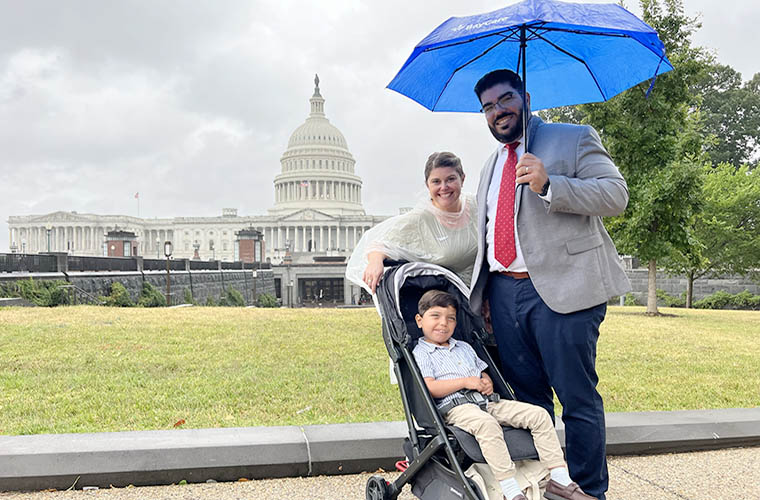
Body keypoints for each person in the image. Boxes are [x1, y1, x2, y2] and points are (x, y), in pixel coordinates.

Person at [468, 69, 631, 500]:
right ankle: (547, 486)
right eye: (488, 107)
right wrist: (485, 293)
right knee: (529, 403)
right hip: (505, 296)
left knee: (577, 399)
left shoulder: (572, 138)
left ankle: (588, 491)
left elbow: (615, 195)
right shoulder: (490, 165)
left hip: (565, 292)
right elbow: (487, 232)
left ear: (525, 97)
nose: (497, 111)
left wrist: (548, 184)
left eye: (505, 100)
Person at [412, 290, 596, 500]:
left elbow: (481, 371)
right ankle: (510, 488)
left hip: (487, 402)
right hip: (456, 407)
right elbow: (430, 387)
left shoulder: (463, 347)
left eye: (451, 318)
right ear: (419, 320)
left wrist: (486, 380)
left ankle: (560, 478)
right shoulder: (421, 352)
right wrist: (465, 382)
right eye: (435, 316)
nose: (443, 323)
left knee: (539, 415)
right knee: (487, 425)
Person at [346, 151, 477, 294]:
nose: (444, 187)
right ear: (427, 185)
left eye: (450, 179)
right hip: (450, 301)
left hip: (486, 293)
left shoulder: (477, 205)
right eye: (436, 181)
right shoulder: (420, 219)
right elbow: (381, 244)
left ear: (462, 179)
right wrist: (375, 262)